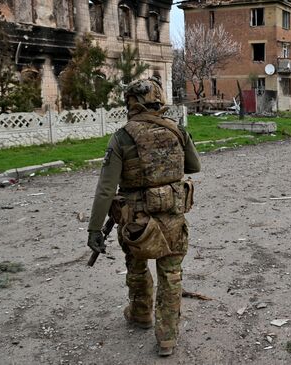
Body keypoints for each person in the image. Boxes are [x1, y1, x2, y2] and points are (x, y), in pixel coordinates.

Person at [87, 77, 201, 356]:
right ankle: (167, 337)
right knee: (171, 273)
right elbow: (194, 166)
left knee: (136, 267)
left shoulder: (123, 136)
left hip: (137, 220)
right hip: (173, 215)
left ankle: (140, 314)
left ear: (133, 103)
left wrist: (93, 230)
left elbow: (106, 188)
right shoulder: (177, 130)